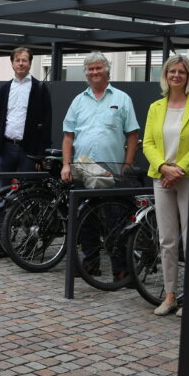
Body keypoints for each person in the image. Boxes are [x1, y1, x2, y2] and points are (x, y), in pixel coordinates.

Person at [60, 52, 140, 277]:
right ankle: (91, 263)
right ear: (86, 73)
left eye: (98, 68)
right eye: (90, 69)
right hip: (83, 168)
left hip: (111, 170)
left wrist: (128, 163)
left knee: (116, 219)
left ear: (107, 70)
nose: (94, 72)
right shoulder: (78, 100)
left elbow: (132, 134)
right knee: (85, 220)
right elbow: (68, 137)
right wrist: (66, 165)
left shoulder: (122, 99)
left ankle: (120, 269)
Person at [141, 54, 189, 317]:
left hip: (188, 177)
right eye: (172, 71)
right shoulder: (156, 107)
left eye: (182, 72)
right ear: (166, 75)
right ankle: (170, 295)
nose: (176, 75)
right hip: (161, 177)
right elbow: (147, 143)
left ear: (188, 77)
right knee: (167, 239)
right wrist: (164, 167)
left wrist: (179, 169)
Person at [0, 46, 52, 174]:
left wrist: (42, 155)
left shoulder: (40, 89)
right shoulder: (4, 89)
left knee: (27, 190)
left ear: (30, 63)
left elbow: (47, 123)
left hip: (29, 151)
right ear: (12, 63)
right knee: (3, 190)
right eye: (17, 60)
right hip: (6, 149)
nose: (21, 64)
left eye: (24, 60)